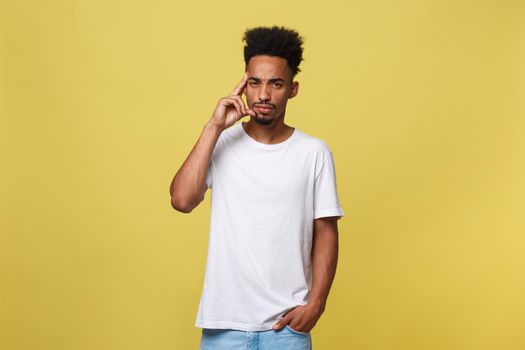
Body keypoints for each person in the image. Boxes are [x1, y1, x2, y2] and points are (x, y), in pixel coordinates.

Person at [169, 25, 345, 350]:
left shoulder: (313, 152)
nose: (263, 94)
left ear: (292, 89)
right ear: (244, 85)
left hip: (286, 331)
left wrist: (317, 303)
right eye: (255, 82)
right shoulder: (220, 143)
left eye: (275, 84)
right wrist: (213, 126)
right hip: (224, 328)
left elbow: (326, 232)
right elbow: (181, 199)